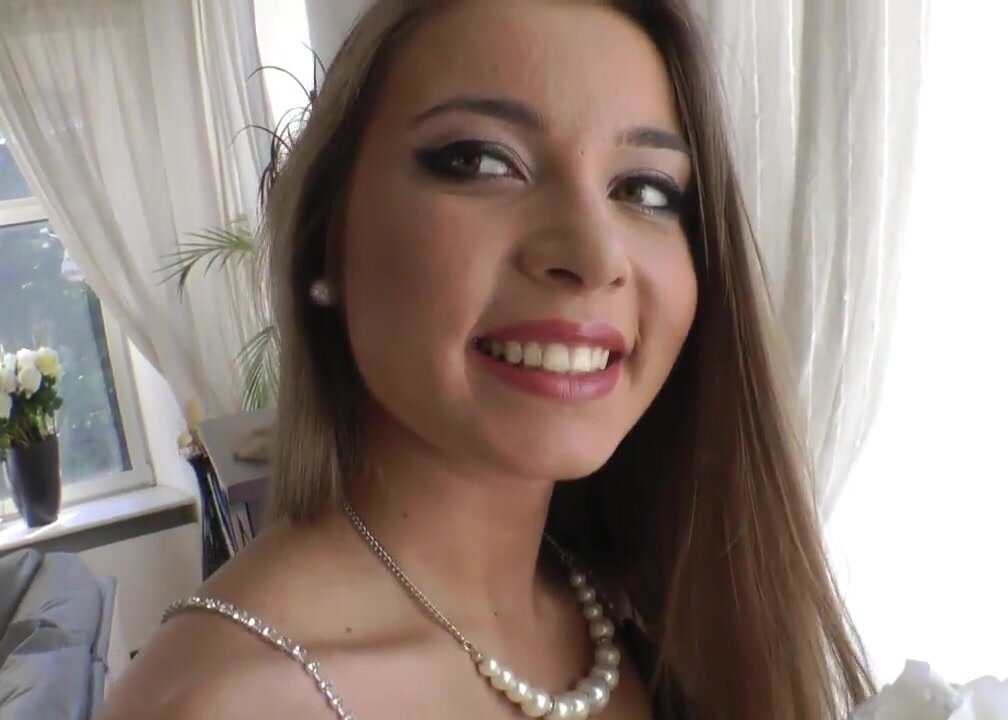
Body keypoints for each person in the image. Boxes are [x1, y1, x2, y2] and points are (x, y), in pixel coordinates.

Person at [101, 1, 873, 718]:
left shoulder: (664, 619)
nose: (593, 255)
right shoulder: (226, 703)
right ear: (326, 237)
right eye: (479, 161)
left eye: (643, 189)